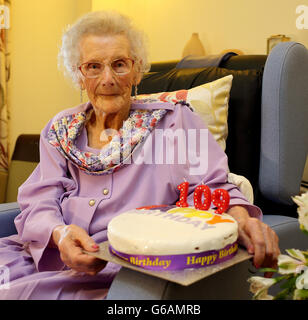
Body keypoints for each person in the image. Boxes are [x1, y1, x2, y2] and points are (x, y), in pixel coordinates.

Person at [0, 10, 279, 300]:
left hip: (122, 269)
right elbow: (39, 199)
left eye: (119, 64)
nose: (107, 78)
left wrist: (241, 219)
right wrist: (59, 233)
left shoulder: (175, 121)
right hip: (42, 257)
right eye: (93, 66)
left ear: (137, 71)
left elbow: (213, 188)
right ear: (79, 75)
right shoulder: (60, 129)